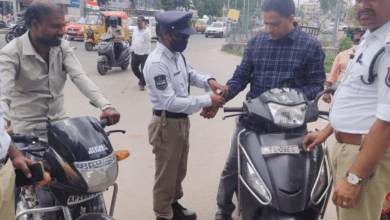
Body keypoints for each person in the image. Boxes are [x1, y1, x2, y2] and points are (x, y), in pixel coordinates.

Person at [201, 0, 326, 219]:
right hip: (252, 123)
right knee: (233, 167)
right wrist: (221, 98)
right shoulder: (257, 42)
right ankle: (224, 210)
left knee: (292, 175)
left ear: (291, 19)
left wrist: (285, 98)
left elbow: (317, 85)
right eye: (266, 23)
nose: (269, 29)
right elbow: (241, 76)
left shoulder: (310, 46)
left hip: (291, 127)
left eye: (275, 24)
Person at [0, 1, 121, 218]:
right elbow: (3, 97)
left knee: (82, 185)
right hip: (25, 133)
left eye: (63, 25)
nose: (62, 31)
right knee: (19, 187)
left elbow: (81, 78)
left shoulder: (62, 47)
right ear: (35, 25)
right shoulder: (11, 53)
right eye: (56, 26)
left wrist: (106, 105)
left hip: (60, 130)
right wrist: (5, 134)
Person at [302, 0, 390, 219]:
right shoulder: (370, 38)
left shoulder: (387, 46)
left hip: (365, 155)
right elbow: (356, 99)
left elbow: (387, 122)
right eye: (359, 0)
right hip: (350, 148)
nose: (363, 5)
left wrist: (355, 177)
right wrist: (327, 130)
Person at [143, 11, 227, 220]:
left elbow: (191, 74)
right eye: (181, 37)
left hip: (180, 121)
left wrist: (210, 81)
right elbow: (170, 102)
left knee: (178, 169)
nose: (186, 40)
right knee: (165, 173)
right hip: (166, 123)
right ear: (165, 35)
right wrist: (208, 100)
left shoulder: (176, 55)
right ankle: (163, 214)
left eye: (187, 36)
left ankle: (174, 205)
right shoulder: (157, 63)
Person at [322, 30, 364, 103]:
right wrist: (327, 93)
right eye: (356, 40)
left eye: (362, 40)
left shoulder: (371, 57)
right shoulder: (342, 55)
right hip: (341, 93)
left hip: (361, 96)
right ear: (351, 41)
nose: (359, 43)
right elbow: (332, 76)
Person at [131, 16, 151, 91]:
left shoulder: (147, 31)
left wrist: (144, 29)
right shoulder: (135, 30)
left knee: (144, 70)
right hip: (135, 52)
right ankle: (141, 78)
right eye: (137, 20)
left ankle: (142, 84)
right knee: (134, 68)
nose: (138, 22)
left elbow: (149, 39)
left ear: (144, 22)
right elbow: (133, 39)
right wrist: (132, 49)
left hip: (144, 53)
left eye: (139, 21)